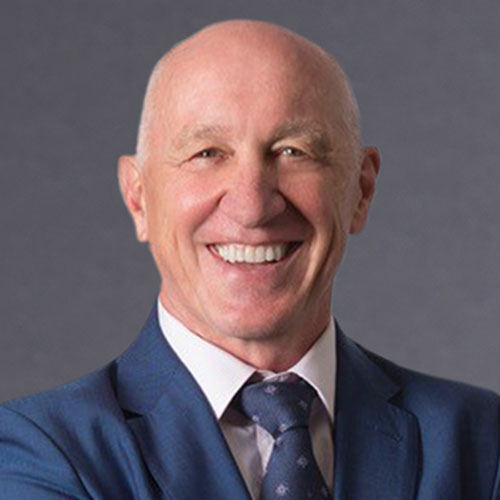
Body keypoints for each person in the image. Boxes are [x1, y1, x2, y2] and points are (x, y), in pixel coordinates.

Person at [0, 19, 498, 500]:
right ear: (138, 198)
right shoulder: (40, 452)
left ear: (361, 191)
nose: (253, 205)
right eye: (207, 153)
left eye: (293, 151)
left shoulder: (483, 443)